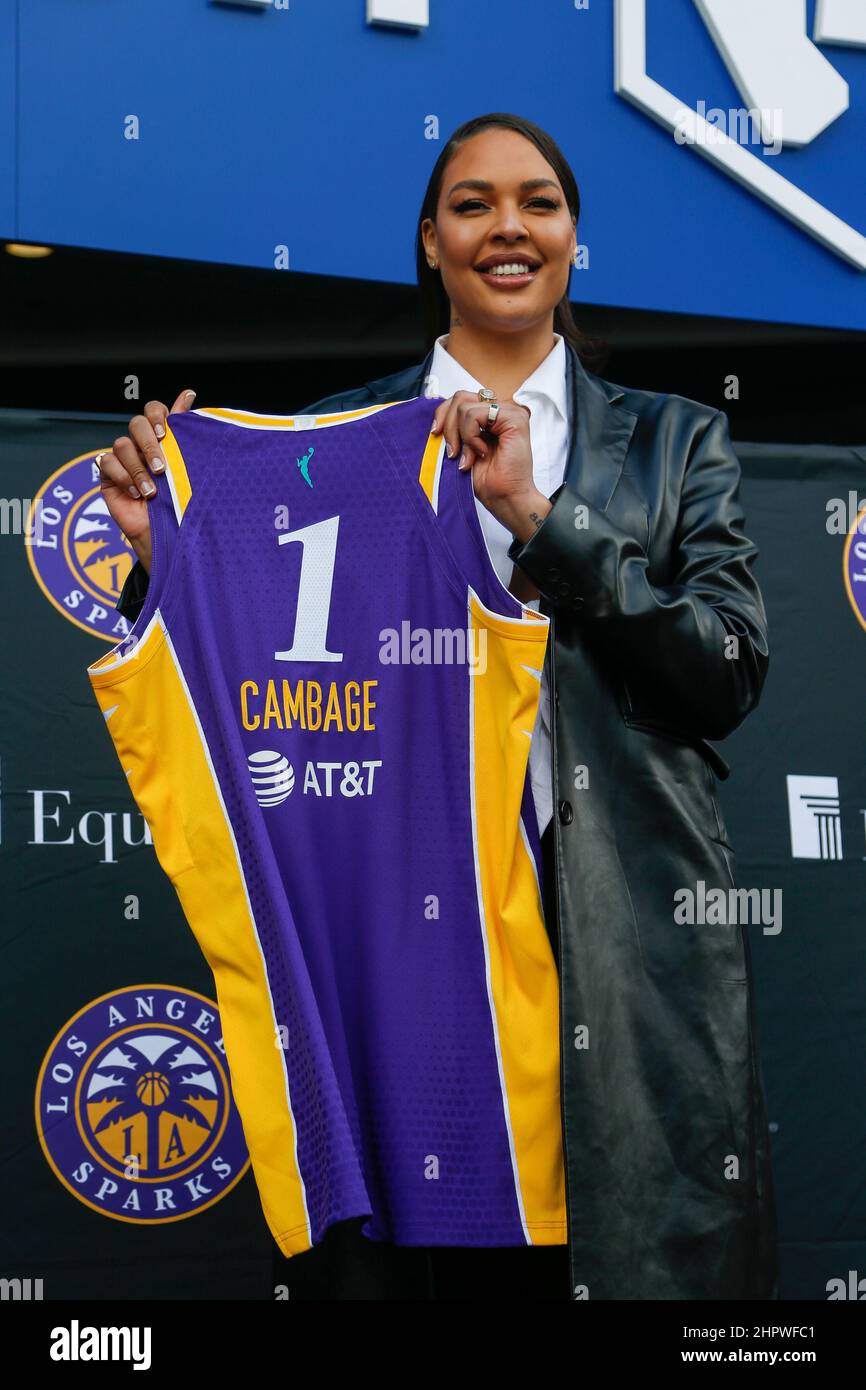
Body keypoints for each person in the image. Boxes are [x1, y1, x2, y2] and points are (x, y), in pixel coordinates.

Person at [98, 111, 778, 1301]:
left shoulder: (678, 442)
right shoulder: (326, 439)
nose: (506, 227)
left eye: (537, 202)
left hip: (620, 938)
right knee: (430, 1266)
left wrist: (537, 519)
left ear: (574, 240)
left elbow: (720, 673)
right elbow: (266, 681)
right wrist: (172, 555)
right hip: (403, 930)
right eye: (471, 204)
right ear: (428, 242)